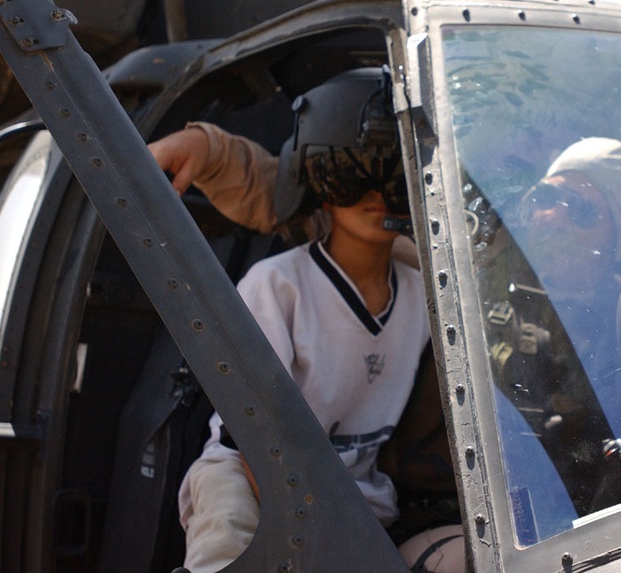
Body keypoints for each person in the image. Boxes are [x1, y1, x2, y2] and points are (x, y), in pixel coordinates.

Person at [174, 68, 457, 572]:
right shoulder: (276, 285)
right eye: (349, 172)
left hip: (357, 495)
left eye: (392, 174)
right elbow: (255, 441)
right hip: (249, 476)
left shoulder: (424, 296)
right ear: (316, 181)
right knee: (228, 540)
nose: (374, 195)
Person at [482, 137, 621, 518]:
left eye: (580, 210)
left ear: (613, 240)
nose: (552, 216)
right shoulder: (482, 287)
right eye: (545, 197)